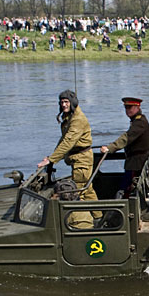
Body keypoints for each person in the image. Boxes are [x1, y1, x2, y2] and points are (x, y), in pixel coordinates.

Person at [37, 90, 100, 218]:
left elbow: (68, 142)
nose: (64, 105)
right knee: (87, 190)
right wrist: (52, 157)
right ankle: (98, 216)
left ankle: (83, 221)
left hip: (82, 159)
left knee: (79, 191)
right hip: (78, 157)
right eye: (61, 102)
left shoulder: (77, 119)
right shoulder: (69, 117)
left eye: (66, 102)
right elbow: (63, 139)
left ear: (72, 102)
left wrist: (52, 159)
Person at [101, 97, 149, 197]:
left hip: (137, 162)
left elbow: (127, 137)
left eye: (130, 107)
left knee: (128, 188)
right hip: (134, 161)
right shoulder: (136, 121)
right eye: (126, 108)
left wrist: (110, 148)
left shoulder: (140, 122)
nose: (127, 110)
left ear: (137, 107)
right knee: (127, 186)